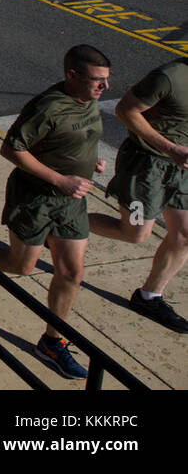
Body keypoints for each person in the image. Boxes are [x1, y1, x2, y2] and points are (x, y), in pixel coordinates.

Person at [0, 45, 111, 379]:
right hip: (35, 199)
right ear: (72, 75)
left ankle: (52, 342)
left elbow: (77, 139)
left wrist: (91, 160)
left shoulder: (88, 100)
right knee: (21, 266)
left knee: (72, 273)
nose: (104, 88)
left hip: (71, 203)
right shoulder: (47, 108)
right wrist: (61, 179)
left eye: (107, 81)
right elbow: (11, 148)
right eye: (97, 81)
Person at [89, 57, 188, 333]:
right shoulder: (169, 76)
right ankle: (62, 225)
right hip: (147, 164)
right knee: (134, 233)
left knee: (185, 234)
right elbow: (126, 111)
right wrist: (171, 148)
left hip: (182, 168)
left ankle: (149, 297)